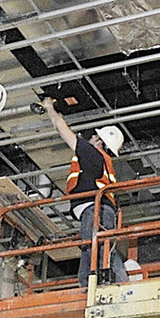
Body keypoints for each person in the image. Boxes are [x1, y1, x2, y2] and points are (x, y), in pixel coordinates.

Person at [41, 97, 128, 287]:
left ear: (99, 141)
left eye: (95, 137)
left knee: (95, 247)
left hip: (94, 208)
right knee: (100, 248)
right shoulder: (103, 160)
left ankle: (97, 284)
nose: (91, 138)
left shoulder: (91, 153)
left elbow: (61, 130)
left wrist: (50, 109)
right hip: (101, 209)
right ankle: (107, 283)